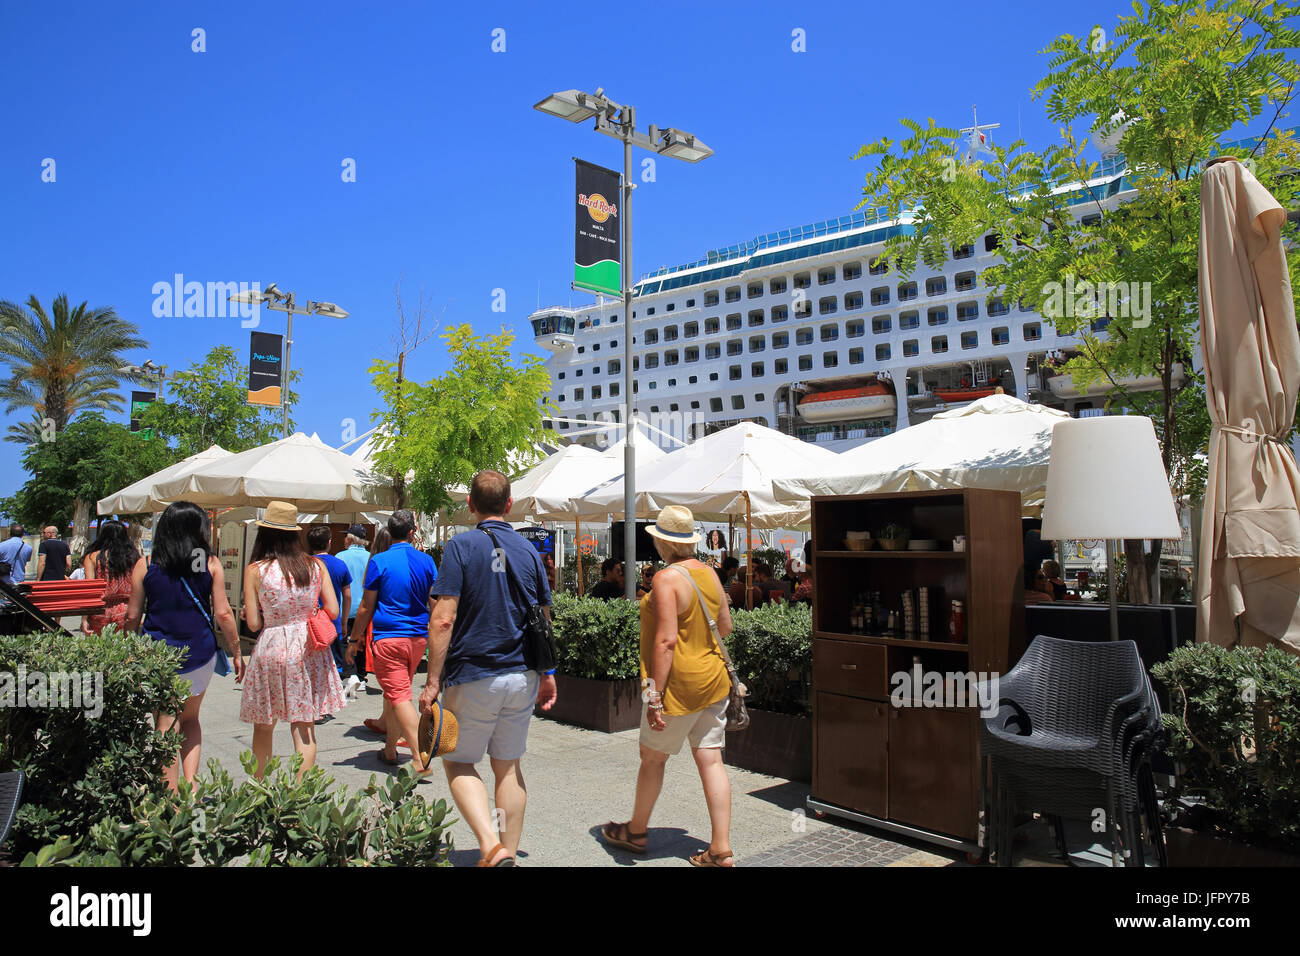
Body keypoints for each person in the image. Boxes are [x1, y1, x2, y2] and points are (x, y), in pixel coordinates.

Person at [419, 470, 558, 867]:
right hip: (523, 674)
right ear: (510, 504)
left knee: (459, 760)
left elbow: (443, 619)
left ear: (470, 505)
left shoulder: (460, 547)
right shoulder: (531, 551)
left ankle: (489, 846)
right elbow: (543, 620)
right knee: (508, 767)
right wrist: (548, 675)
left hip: (474, 672)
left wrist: (432, 681)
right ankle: (508, 850)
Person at [601, 505, 735, 867]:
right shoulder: (709, 573)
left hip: (677, 684)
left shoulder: (665, 579)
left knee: (652, 757)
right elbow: (725, 627)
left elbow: (665, 643)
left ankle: (636, 830)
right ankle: (720, 848)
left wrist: (654, 697)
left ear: (662, 541)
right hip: (713, 679)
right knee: (710, 759)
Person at [125, 501, 244, 790]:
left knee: (165, 720)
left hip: (157, 653)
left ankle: (170, 792)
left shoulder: (148, 563)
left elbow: (132, 615)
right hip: (198, 652)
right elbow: (224, 613)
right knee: (190, 719)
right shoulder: (207, 562)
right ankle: (190, 786)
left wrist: (128, 650)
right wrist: (237, 650)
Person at [239, 503, 346, 779]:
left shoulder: (255, 570)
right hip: (307, 647)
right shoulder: (315, 565)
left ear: (265, 533)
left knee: (264, 725)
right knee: (304, 729)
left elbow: (252, 624)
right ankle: (299, 799)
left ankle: (259, 790)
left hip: (271, 645)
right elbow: (332, 610)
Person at [347, 511, 438, 774]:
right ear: (412, 532)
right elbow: (434, 603)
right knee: (397, 693)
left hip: (389, 638)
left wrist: (354, 639)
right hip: (417, 639)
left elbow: (366, 606)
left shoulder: (379, 561)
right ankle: (389, 750)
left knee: (399, 697)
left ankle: (419, 758)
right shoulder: (427, 561)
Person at [308, 525, 353, 700]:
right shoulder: (339, 564)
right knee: (330, 665)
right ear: (328, 543)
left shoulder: (305, 564)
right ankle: (324, 702)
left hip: (308, 623)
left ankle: (312, 699)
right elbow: (347, 595)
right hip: (331, 622)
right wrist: (344, 620)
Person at [82, 519, 139, 635]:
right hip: (127, 610)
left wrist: (84, 618)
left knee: (99, 649)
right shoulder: (134, 557)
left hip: (100, 611)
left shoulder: (92, 557)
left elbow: (90, 590)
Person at [335, 523, 371, 697]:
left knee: (345, 640)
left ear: (350, 539)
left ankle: (351, 674)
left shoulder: (340, 557)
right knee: (361, 641)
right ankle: (362, 675)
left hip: (345, 607)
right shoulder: (371, 557)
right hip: (365, 607)